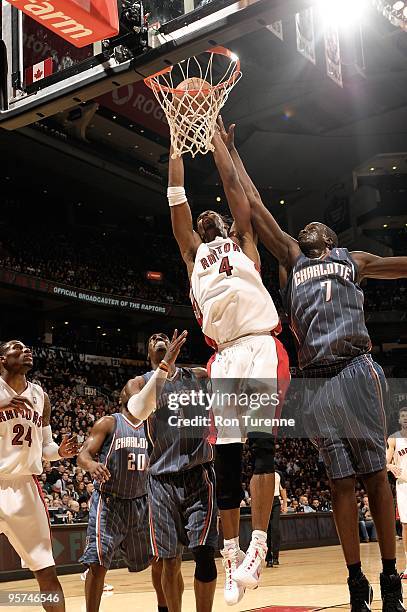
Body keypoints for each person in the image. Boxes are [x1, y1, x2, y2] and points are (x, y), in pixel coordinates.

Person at [217, 116, 407, 612]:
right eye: (305, 227)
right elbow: (254, 205)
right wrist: (231, 152)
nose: (308, 227)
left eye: (317, 225)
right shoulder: (290, 257)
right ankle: (354, 584)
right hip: (316, 381)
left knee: (375, 479)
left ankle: (391, 581)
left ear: (330, 235)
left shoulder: (355, 259)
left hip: (355, 369)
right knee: (340, 484)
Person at [167, 127, 290, 602]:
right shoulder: (191, 253)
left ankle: (258, 547)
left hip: (259, 345)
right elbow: (176, 199)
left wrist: (217, 140)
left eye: (212, 214)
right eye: (202, 218)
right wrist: (178, 145)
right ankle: (233, 552)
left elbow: (236, 192)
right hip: (224, 357)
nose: (207, 216)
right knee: (226, 458)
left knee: (262, 449)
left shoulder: (244, 243)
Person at [122, 331, 218, 612]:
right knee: (169, 559)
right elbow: (137, 410)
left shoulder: (198, 376)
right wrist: (164, 367)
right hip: (161, 479)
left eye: (163, 335)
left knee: (204, 553)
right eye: (151, 338)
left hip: (198, 473)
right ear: (147, 353)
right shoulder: (136, 383)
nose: (158, 337)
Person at [0, 340, 78, 612]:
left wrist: (61, 452)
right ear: (2, 359)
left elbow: (46, 447)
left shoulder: (39, 396)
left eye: (28, 348)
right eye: (17, 348)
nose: (27, 351)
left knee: (46, 571)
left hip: (24, 487)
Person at [77, 402, 164, 612]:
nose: (140, 387)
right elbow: (83, 455)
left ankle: (165, 607)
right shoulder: (109, 422)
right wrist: (91, 465)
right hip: (109, 501)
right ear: (123, 397)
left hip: (141, 502)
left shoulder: (151, 426)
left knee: (160, 558)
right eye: (135, 387)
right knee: (97, 562)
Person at [387, 407, 407, 577]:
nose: (405, 419)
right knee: (406, 525)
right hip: (404, 485)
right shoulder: (393, 439)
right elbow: (385, 462)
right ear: (399, 420)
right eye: (402, 416)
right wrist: (389, 465)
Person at [266, 469, 287, 568]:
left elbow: (282, 489)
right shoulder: (262, 472)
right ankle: (268, 558)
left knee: (275, 529)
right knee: (267, 531)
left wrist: (285, 504)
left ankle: (275, 557)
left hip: (276, 501)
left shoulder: (279, 473)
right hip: (265, 501)